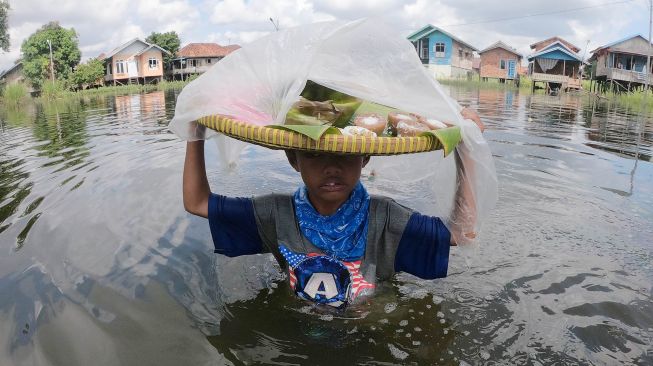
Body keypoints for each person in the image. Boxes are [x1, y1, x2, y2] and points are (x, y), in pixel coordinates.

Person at [182, 107, 485, 309]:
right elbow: (197, 202)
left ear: (365, 158)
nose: (331, 167)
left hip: (368, 325)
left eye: (346, 155)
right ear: (293, 159)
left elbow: (462, 232)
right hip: (299, 329)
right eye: (314, 155)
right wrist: (194, 132)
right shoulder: (277, 214)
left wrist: (465, 149)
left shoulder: (385, 218)